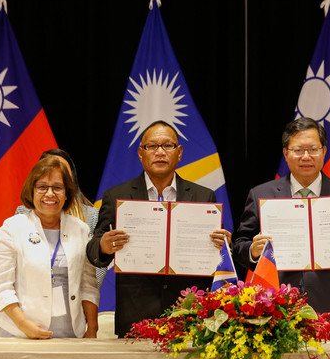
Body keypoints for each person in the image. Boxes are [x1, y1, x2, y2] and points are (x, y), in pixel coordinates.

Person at [233, 117, 330, 337]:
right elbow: (239, 246)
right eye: (298, 150)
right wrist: (253, 251)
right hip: (276, 307)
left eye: (313, 149)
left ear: (324, 151)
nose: (306, 157)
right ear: (286, 153)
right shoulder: (261, 194)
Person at [86, 120, 231, 337]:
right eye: (152, 146)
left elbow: (214, 257)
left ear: (179, 152)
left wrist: (222, 246)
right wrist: (104, 246)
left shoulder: (203, 196)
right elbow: (93, 251)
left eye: (168, 146)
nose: (160, 152)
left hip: (188, 311)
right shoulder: (117, 195)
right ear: (140, 153)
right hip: (136, 314)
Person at [0, 156, 100, 339]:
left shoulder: (81, 229)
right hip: (22, 333)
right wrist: (24, 325)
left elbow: (88, 284)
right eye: (42, 187)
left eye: (57, 188)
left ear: (67, 194)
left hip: (72, 333)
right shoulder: (12, 228)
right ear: (31, 191)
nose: (50, 194)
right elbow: (3, 287)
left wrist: (92, 328)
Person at [15, 149, 107, 288]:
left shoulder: (91, 216)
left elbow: (97, 265)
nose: (55, 172)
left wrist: (85, 296)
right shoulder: (22, 214)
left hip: (76, 298)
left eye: (61, 169)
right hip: (33, 295)